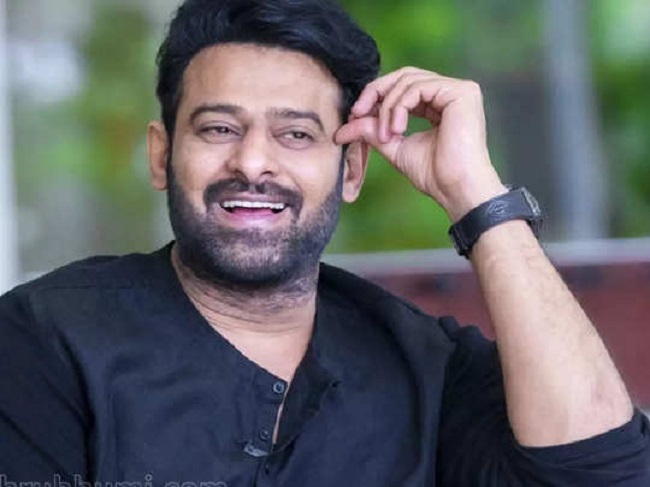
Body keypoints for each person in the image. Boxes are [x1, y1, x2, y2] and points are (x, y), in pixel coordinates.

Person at [1, 0, 648, 485]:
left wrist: (477, 195)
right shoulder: (44, 336)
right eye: (220, 128)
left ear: (352, 169)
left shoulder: (427, 367)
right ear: (161, 155)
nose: (253, 162)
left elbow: (604, 469)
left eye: (297, 135)